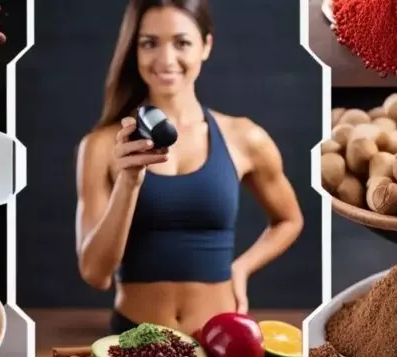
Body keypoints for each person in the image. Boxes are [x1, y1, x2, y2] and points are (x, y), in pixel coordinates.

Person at [75, 0, 304, 336]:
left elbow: (289, 219)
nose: (166, 60)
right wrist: (130, 181)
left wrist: (240, 269)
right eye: (149, 43)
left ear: (205, 46)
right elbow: (96, 274)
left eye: (182, 42)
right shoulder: (101, 146)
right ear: (133, 50)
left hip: (222, 339)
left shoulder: (244, 137)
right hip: (135, 338)